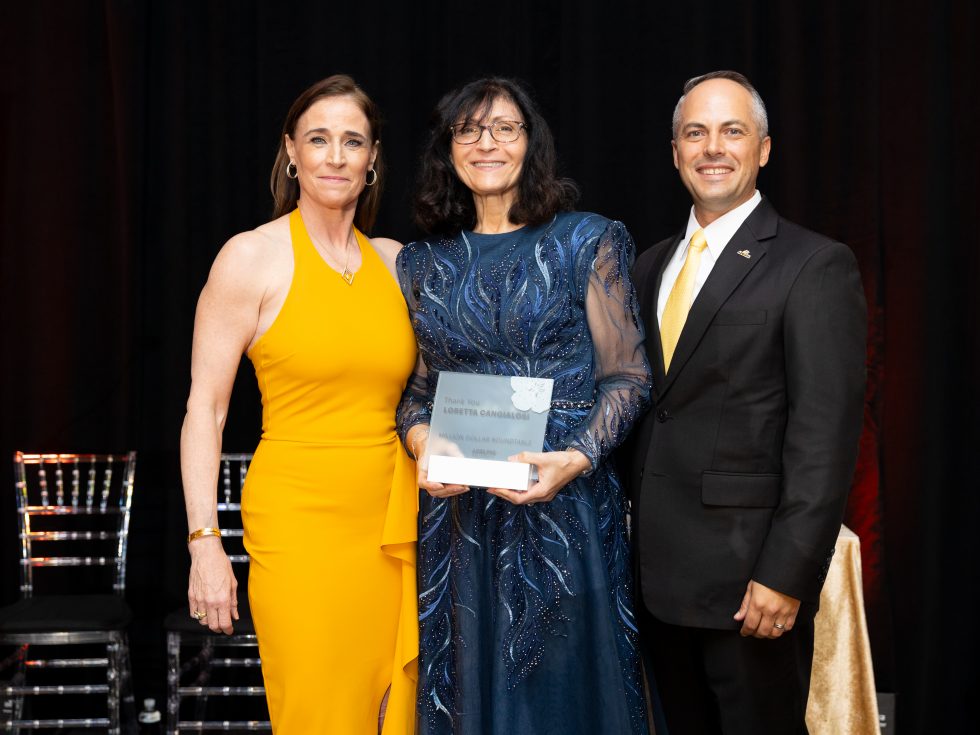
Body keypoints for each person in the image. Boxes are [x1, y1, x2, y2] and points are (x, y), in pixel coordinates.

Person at [397, 77, 652, 735]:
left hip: (563, 507)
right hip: (460, 522)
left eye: (505, 127)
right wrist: (425, 444)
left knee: (564, 695)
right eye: (469, 130)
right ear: (447, 149)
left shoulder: (588, 239)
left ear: (530, 142)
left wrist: (577, 456)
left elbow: (627, 378)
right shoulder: (422, 263)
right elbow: (418, 394)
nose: (488, 143)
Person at [628, 70, 867, 734]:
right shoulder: (649, 265)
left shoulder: (814, 265)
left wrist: (787, 574)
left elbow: (824, 436)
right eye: (695, 132)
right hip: (656, 586)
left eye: (732, 130)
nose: (713, 147)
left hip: (750, 589)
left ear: (763, 149)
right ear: (675, 151)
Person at [179, 74, 418, 734]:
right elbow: (205, 409)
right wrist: (205, 542)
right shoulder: (250, 259)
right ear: (291, 152)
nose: (336, 156)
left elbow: (439, 396)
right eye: (319, 139)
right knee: (321, 713)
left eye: (352, 141)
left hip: (394, 526)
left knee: (396, 711)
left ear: (372, 159)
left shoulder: (396, 265)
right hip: (300, 525)